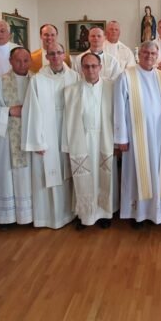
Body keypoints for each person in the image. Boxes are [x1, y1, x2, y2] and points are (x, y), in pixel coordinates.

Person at [114, 41, 161, 227]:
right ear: (139, 54)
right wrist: (121, 138)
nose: (149, 56)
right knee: (135, 174)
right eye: (145, 53)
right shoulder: (126, 76)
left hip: (159, 136)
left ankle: (156, 213)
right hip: (135, 137)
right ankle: (136, 214)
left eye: (153, 53)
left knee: (156, 173)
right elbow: (119, 109)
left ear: (157, 56)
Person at [22, 42, 77, 228]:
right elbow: (31, 111)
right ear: (46, 57)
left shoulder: (74, 77)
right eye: (51, 54)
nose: (55, 57)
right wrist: (37, 141)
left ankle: (71, 213)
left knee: (69, 171)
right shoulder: (38, 80)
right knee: (48, 174)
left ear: (64, 55)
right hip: (47, 135)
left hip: (68, 132)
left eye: (59, 53)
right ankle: (49, 217)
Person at [62, 53, 118, 229]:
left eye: (94, 66)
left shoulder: (111, 87)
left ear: (100, 67)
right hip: (82, 140)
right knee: (84, 177)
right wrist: (67, 145)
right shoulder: (71, 91)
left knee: (104, 176)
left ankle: (104, 213)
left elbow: (118, 117)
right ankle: (84, 215)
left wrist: (117, 142)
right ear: (81, 68)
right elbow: (66, 120)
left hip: (104, 139)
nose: (90, 70)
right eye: (86, 66)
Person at [0, 47, 33, 226]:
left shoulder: (36, 81)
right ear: (10, 61)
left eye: (26, 60)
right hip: (6, 140)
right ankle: (7, 217)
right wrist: (9, 111)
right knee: (6, 176)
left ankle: (30, 216)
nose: (22, 64)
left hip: (30, 139)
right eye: (18, 60)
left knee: (29, 177)